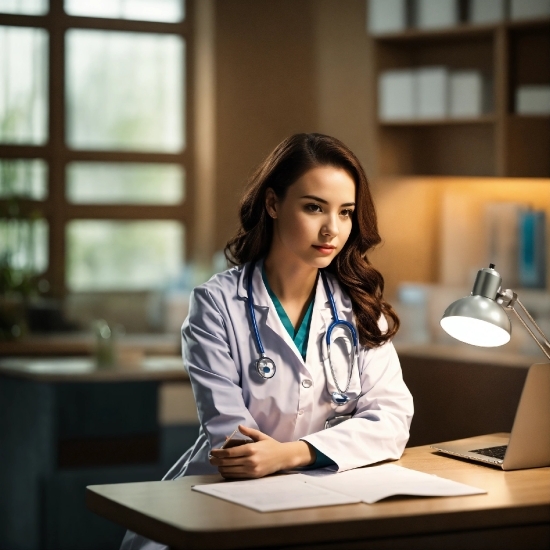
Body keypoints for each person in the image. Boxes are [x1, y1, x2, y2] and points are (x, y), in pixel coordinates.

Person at [120, 133, 413, 550]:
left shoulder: (360, 309)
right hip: (222, 502)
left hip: (325, 498)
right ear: (273, 204)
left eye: (345, 213)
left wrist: (292, 453)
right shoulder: (217, 304)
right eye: (314, 207)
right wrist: (288, 455)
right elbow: (235, 444)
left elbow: (391, 421)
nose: (332, 229)